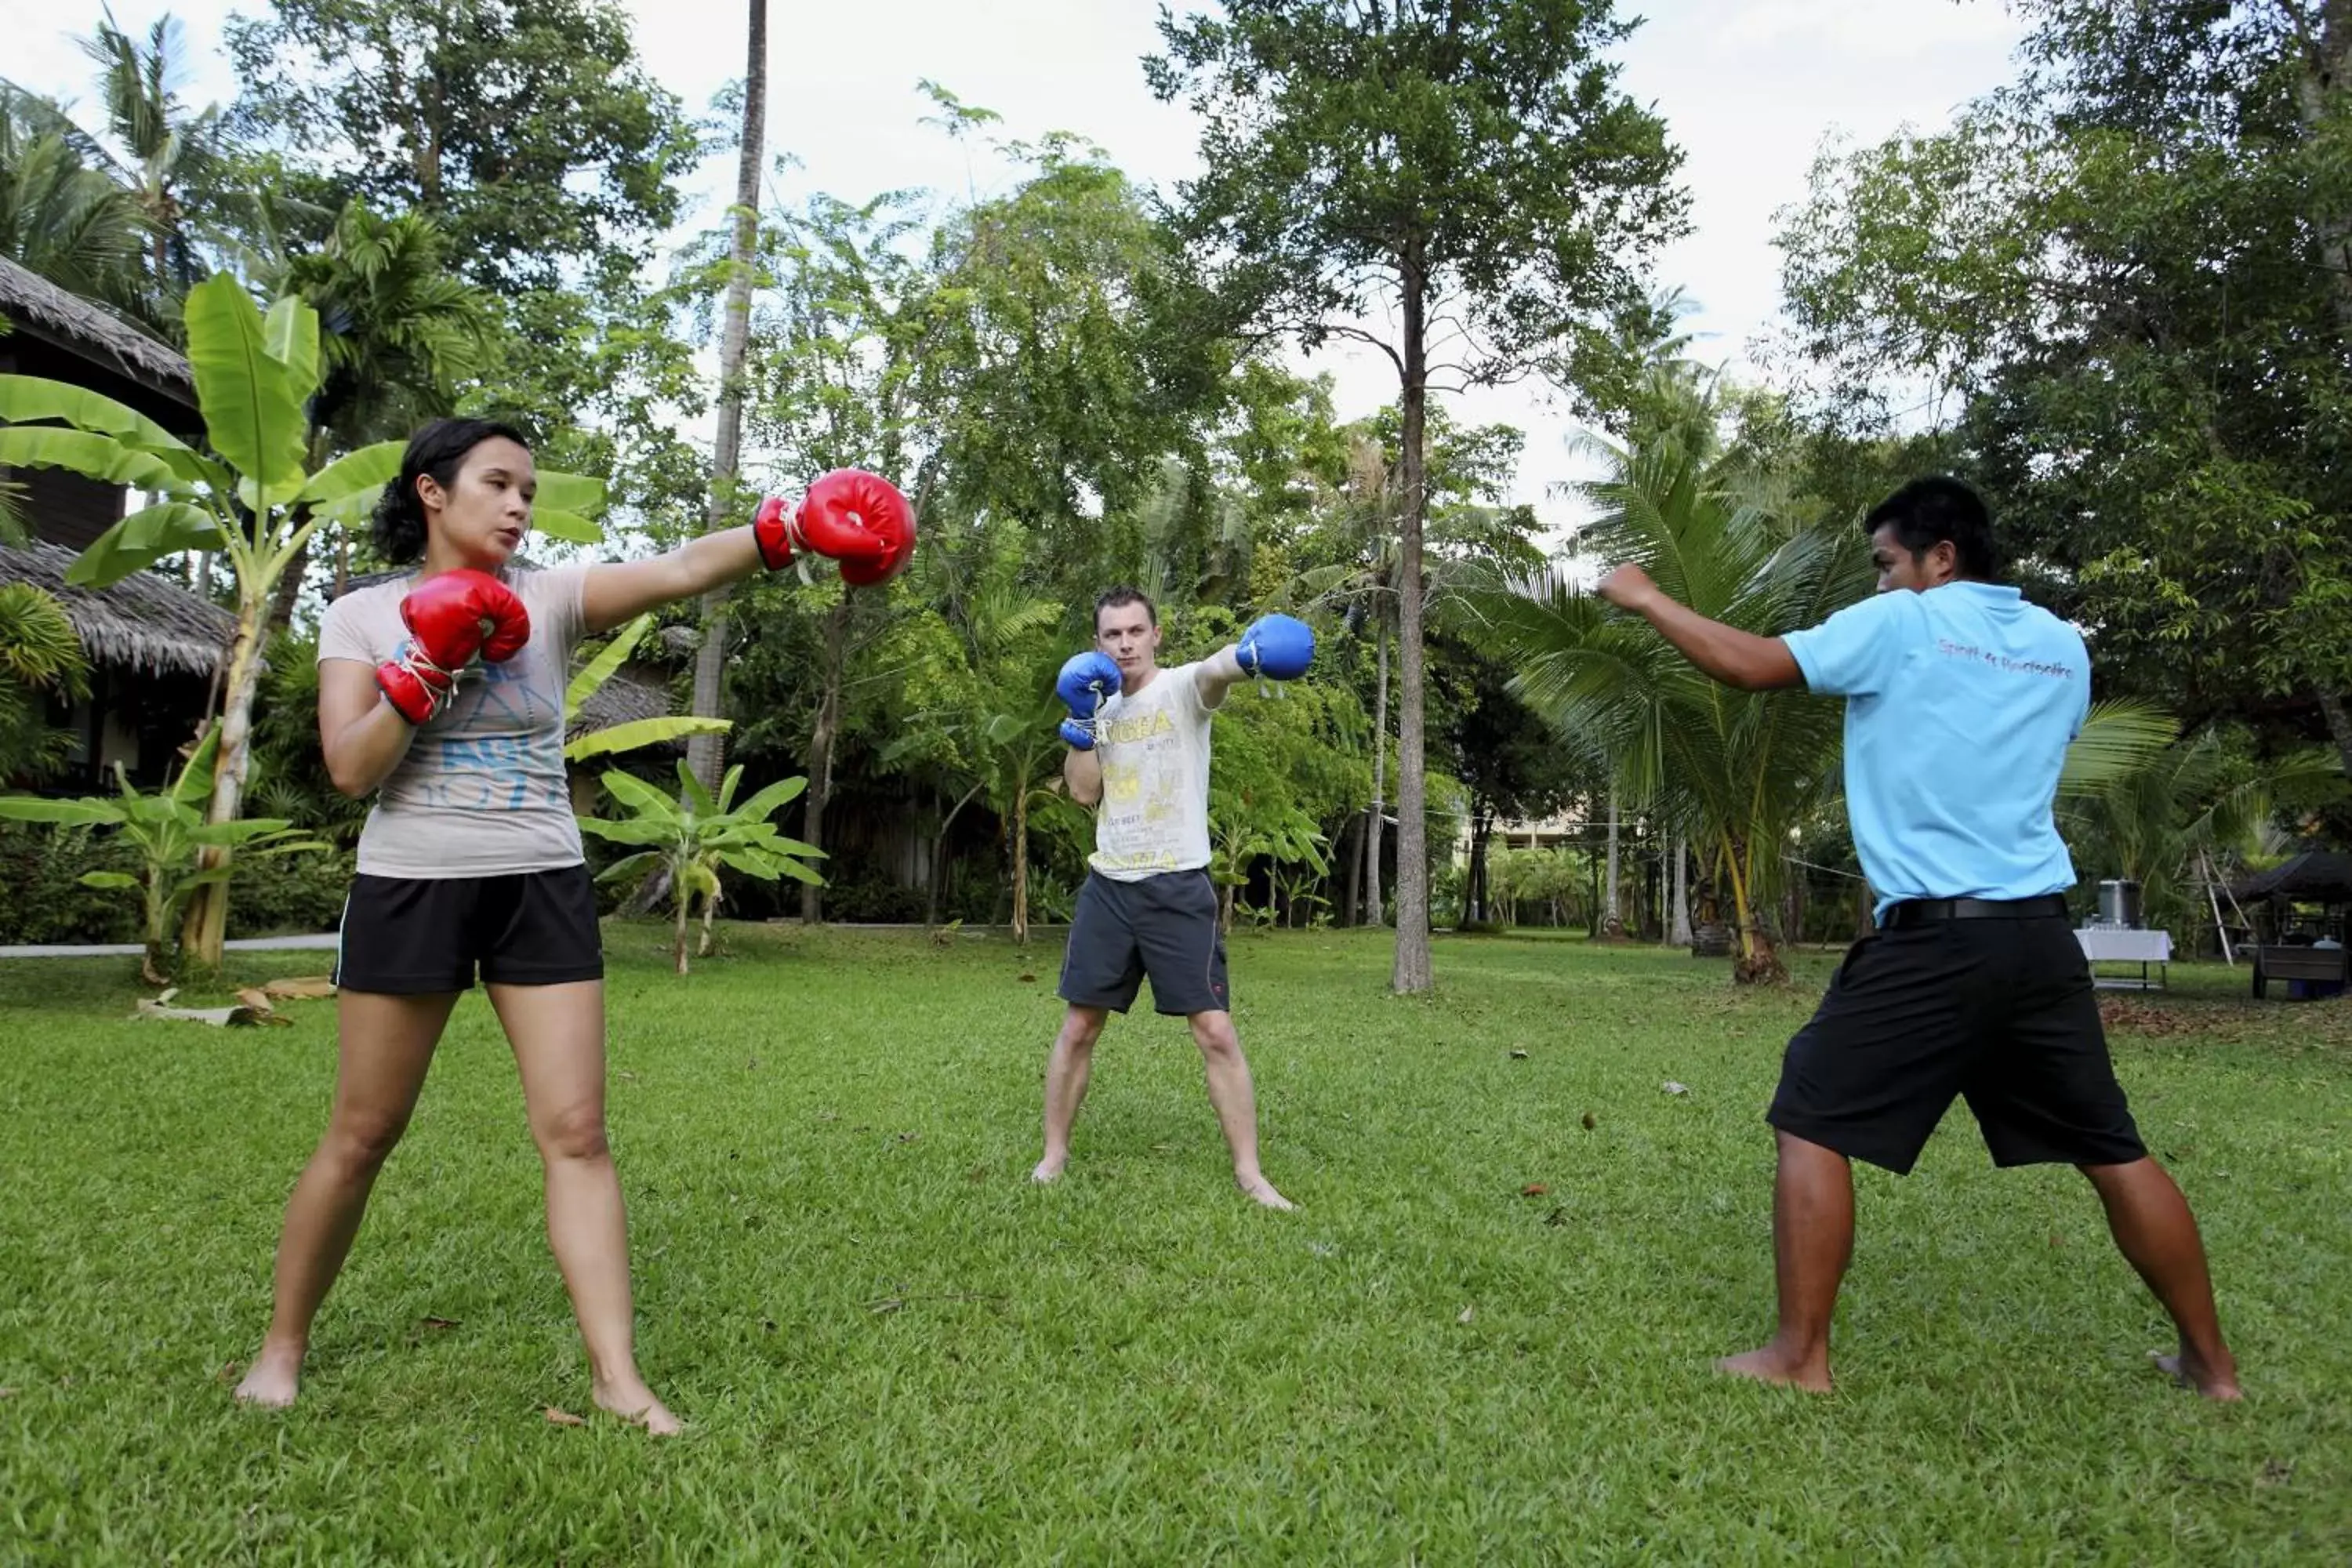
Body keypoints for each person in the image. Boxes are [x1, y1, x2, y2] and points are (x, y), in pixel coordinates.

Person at [232, 417, 913, 1431]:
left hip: (538, 881)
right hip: (412, 881)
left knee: (579, 1134)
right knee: (364, 1132)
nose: (517, 506)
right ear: (432, 491)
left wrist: (789, 530)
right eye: (498, 485)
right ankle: (283, 1345)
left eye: (527, 490)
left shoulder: (548, 600)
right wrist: (425, 664)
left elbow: (680, 567)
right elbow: (349, 768)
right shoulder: (363, 616)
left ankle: (617, 1377)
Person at [1596, 476, 2239, 1399]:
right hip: (2039, 938)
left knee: (1811, 1111)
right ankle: (2212, 1368)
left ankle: (1798, 1356)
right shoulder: (2062, 647)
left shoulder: (1906, 622)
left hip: (1939, 935)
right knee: (2113, 1146)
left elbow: (1747, 665)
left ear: (1941, 557)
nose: (1884, 581)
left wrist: (1647, 596)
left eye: (1888, 563)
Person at [1033, 588, 1314, 1210]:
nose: (1126, 644)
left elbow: (1216, 672)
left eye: (1136, 631)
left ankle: (1249, 1172)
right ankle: (1054, 1154)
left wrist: (1247, 657)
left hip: (1178, 886)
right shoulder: (1097, 708)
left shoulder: (1184, 687)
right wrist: (1082, 726)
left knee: (1214, 1030)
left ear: (1156, 635)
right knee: (1080, 1025)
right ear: (1098, 643)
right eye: (1113, 635)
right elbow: (1083, 794)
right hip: (1111, 884)